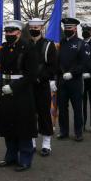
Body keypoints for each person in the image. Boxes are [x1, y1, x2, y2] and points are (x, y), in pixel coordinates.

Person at [0, 20, 38, 172]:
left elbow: (32, 74)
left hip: (22, 92)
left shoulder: (28, 47)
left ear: (18, 32)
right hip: (4, 90)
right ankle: (11, 156)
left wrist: (13, 87)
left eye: (12, 31)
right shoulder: (1, 48)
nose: (9, 34)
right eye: (7, 32)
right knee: (8, 125)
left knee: (23, 126)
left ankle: (25, 158)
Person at [27, 18, 57, 156]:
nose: (34, 29)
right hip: (28, 86)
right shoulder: (26, 44)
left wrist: (42, 78)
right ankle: (31, 143)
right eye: (32, 27)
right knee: (30, 115)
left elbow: (52, 66)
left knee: (44, 114)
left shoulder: (48, 45)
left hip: (42, 85)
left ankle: (46, 144)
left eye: (36, 27)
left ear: (41, 28)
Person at [57, 17, 86, 141]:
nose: (67, 30)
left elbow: (84, 63)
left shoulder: (81, 43)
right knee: (62, 108)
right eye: (65, 28)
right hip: (62, 80)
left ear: (75, 28)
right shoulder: (61, 43)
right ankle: (64, 131)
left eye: (69, 28)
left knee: (77, 108)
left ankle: (78, 132)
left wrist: (73, 73)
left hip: (75, 81)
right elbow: (57, 61)